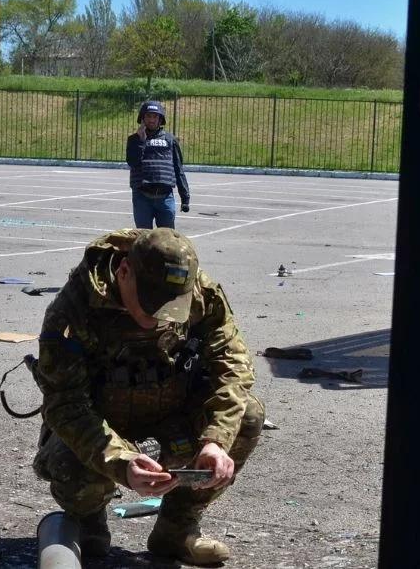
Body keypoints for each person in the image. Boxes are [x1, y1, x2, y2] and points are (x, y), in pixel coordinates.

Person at [31, 228, 263, 565]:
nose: (160, 319)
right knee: (69, 460)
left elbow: (233, 369)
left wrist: (215, 440)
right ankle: (87, 526)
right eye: (152, 305)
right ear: (123, 272)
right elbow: (65, 405)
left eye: (172, 308)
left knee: (248, 416)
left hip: (171, 420)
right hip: (103, 427)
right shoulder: (74, 309)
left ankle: (177, 530)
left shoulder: (201, 294)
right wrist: (122, 463)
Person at [126, 101, 190, 228]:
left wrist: (185, 197)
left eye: (155, 116)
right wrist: (141, 141)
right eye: (148, 116)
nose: (151, 120)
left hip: (165, 197)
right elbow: (132, 162)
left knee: (167, 240)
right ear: (142, 119)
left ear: (160, 119)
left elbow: (178, 169)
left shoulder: (170, 140)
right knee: (144, 239)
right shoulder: (133, 140)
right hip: (142, 197)